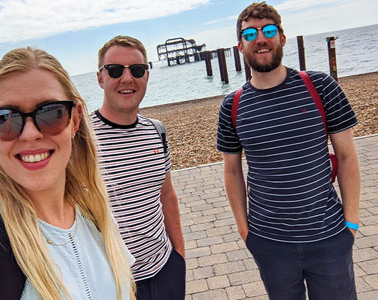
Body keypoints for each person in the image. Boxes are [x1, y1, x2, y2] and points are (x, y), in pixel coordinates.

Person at [0, 47, 135, 300]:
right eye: (5, 117)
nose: (30, 133)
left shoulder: (96, 211)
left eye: (51, 112)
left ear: (74, 121)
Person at [216, 2, 360, 300]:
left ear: (282, 37)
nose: (260, 38)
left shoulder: (319, 85)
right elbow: (231, 171)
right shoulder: (233, 105)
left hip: (329, 236)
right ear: (240, 46)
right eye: (250, 33)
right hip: (269, 243)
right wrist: (246, 232)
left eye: (269, 30)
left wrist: (351, 222)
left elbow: (346, 155)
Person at [90, 35, 186, 300]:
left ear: (146, 75)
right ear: (100, 78)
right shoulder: (80, 140)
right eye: (115, 70)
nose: (127, 78)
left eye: (137, 70)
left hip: (165, 268)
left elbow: (167, 195)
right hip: (113, 283)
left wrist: (179, 256)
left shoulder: (156, 130)